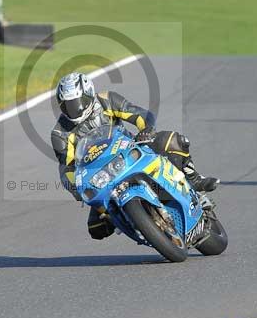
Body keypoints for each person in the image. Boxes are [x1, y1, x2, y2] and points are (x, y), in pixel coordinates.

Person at [51, 72, 219, 240]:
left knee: (172, 141)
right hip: (101, 176)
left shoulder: (106, 99)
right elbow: (67, 168)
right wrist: (77, 188)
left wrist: (145, 130)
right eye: (68, 105)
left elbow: (140, 114)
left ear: (89, 93)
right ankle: (137, 224)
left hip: (130, 150)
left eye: (79, 102)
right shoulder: (60, 133)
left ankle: (194, 179)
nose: (75, 109)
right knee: (97, 228)